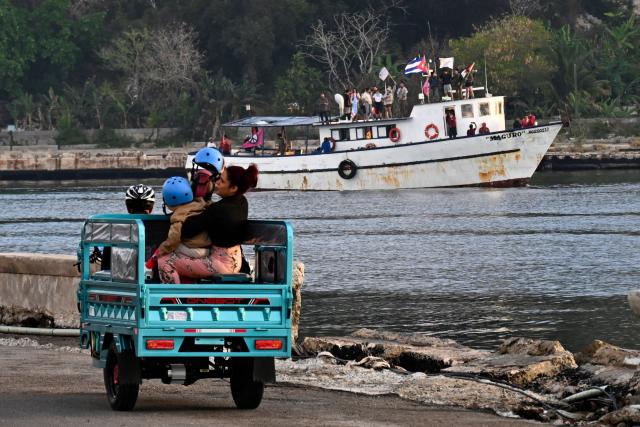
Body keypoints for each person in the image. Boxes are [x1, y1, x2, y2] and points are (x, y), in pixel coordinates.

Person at [157, 164, 259, 284]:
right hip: (236, 260)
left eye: (222, 181)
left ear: (233, 188)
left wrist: (183, 212)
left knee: (164, 260)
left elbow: (187, 231)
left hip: (220, 264)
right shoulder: (242, 202)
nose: (217, 183)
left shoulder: (218, 209)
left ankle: (175, 298)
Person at [156, 176, 212, 258]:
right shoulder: (200, 204)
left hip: (195, 251)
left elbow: (174, 239)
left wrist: (161, 250)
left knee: (170, 249)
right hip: (209, 248)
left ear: (167, 201)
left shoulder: (177, 216)